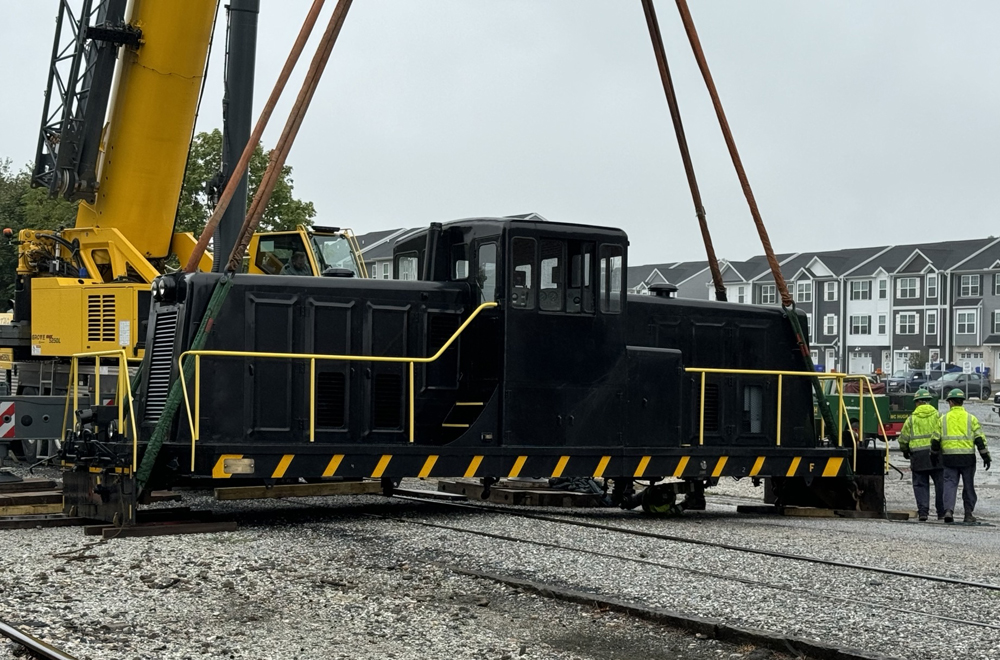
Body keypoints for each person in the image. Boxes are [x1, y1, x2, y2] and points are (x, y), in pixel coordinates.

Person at [933, 388, 991, 523]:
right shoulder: (971, 419)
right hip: (967, 459)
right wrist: (986, 457)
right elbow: (979, 440)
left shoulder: (943, 419)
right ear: (962, 402)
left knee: (949, 484)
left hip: (949, 458)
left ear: (951, 402)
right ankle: (968, 513)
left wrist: (934, 455)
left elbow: (935, 439)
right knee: (968, 485)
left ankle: (948, 511)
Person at [897, 388, 944, 521]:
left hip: (918, 457)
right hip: (936, 455)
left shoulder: (911, 419)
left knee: (920, 484)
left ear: (917, 403)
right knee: (940, 485)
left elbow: (903, 439)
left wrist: (905, 451)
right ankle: (941, 512)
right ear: (929, 401)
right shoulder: (939, 416)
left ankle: (923, 512)